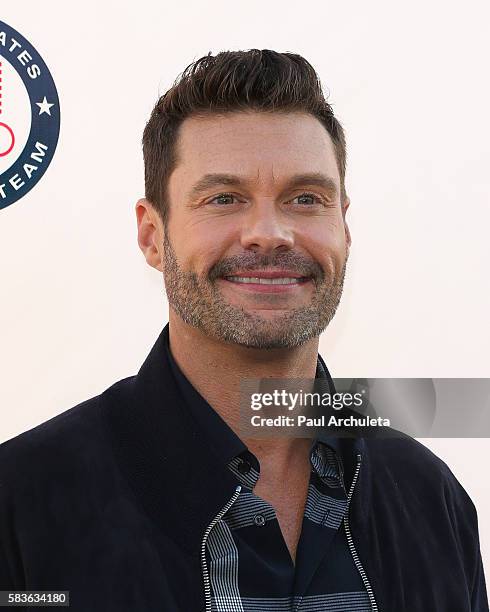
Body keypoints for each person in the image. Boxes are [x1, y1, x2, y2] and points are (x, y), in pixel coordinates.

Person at [0, 49, 487, 612]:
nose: (270, 233)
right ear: (152, 235)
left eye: (306, 199)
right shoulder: (23, 504)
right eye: (224, 198)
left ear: (344, 229)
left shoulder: (433, 500)